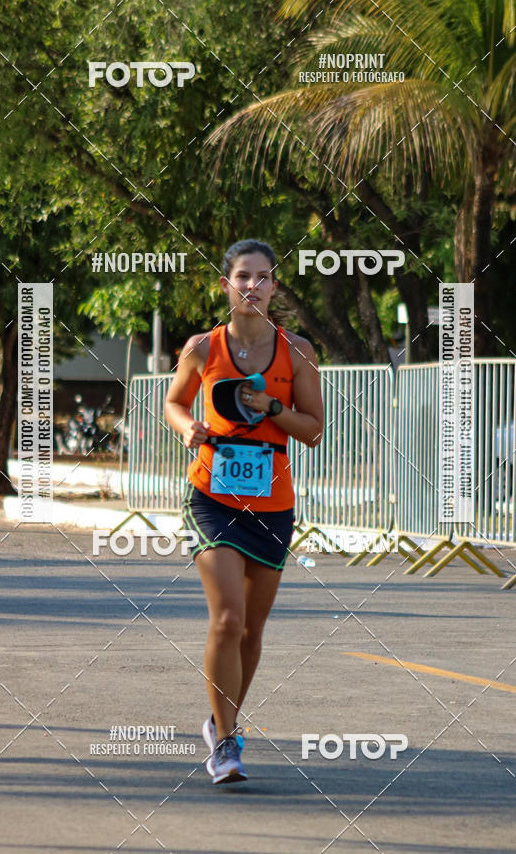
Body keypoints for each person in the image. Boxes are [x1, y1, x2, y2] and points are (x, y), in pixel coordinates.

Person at [164, 239, 324, 784]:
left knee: (252, 630)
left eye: (263, 277)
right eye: (242, 276)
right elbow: (174, 401)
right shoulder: (202, 348)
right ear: (226, 284)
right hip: (212, 496)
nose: (252, 285)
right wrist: (188, 427)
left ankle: (220, 722)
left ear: (274, 287)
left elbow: (313, 431)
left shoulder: (296, 350)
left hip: (272, 505)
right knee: (228, 618)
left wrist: (273, 407)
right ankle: (228, 742)